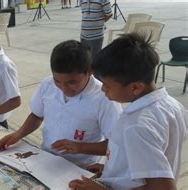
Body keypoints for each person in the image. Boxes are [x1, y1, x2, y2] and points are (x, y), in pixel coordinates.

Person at [69, 33, 187, 190]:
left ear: (136, 87)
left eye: (107, 85)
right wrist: (113, 171)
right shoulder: (173, 105)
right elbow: (153, 156)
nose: (103, 89)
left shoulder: (137, 126)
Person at [0, 40, 122, 167]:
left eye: (72, 82)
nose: (64, 89)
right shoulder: (48, 84)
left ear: (89, 72)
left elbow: (117, 144)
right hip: (46, 157)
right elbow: (36, 115)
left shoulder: (105, 98)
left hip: (81, 167)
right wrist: (18, 134)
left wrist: (79, 147)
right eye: (57, 81)